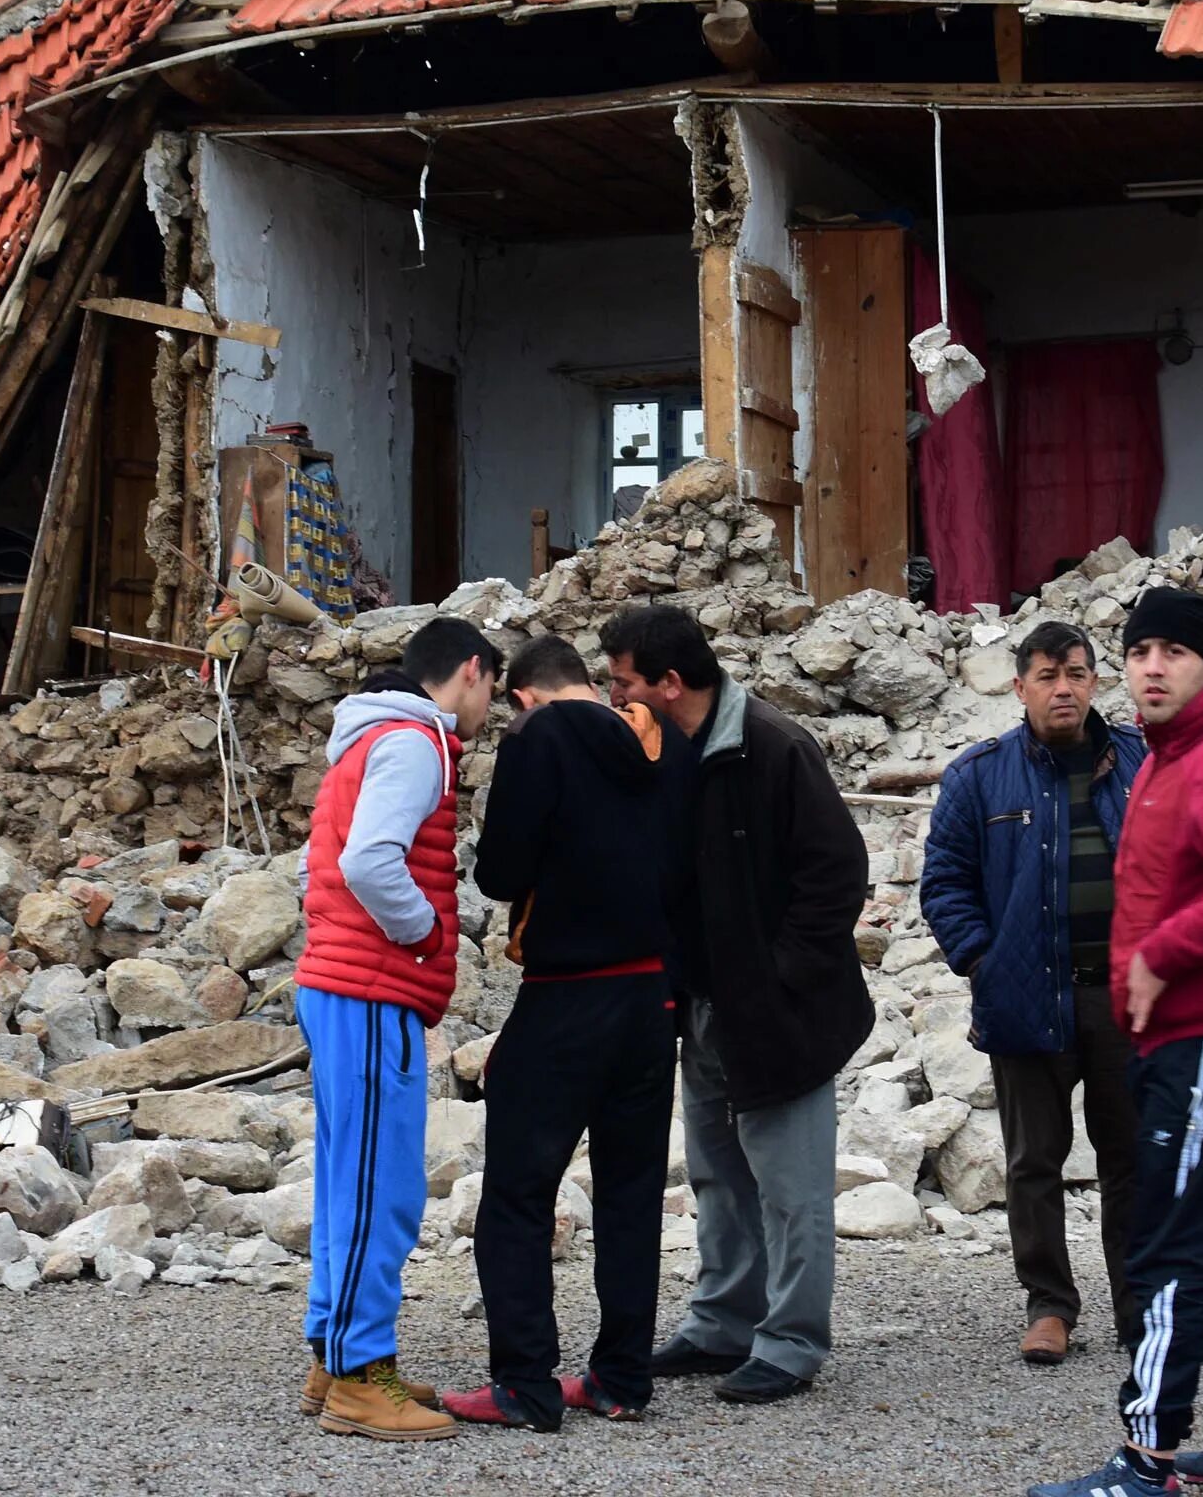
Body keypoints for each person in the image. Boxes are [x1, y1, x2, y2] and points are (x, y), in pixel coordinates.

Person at [1032, 587, 1203, 1497]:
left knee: (1167, 1244)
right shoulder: (1159, 755)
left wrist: (1161, 957)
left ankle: (1147, 1457)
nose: (1152, 667)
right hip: (1183, 1037)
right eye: (1140, 650)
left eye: (1173, 652)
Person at [605, 602, 874, 1405]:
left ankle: (791, 1343)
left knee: (792, 1190)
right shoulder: (670, 751)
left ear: (671, 682)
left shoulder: (774, 747)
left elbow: (836, 878)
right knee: (720, 1178)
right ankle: (724, 1323)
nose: (618, 698)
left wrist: (774, 980)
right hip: (705, 1009)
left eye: (625, 685)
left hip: (782, 1016)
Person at [441, 636, 680, 1432]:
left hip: (566, 991)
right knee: (630, 1193)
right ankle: (620, 1378)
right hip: (651, 995)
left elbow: (502, 872)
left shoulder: (537, 738)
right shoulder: (660, 738)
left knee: (516, 1191)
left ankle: (525, 1384)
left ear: (524, 696)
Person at [296, 614, 500, 1443]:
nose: (490, 711)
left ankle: (340, 1358)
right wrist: (425, 934)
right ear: (474, 672)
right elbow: (371, 860)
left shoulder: (369, 734)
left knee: (350, 1182)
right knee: (382, 1191)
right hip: (372, 990)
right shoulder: (417, 742)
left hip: (346, 988)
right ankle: (357, 1379)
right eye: (492, 691)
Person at [921, 620, 1147, 1366]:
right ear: (1019, 686)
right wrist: (985, 961)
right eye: (1047, 675)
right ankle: (1049, 1305)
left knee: (1131, 1161)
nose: (1063, 688)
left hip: (1125, 998)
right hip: (1024, 996)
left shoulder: (1140, 763)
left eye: (1076, 673)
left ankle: (1140, 1305)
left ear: (1094, 682)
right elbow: (945, 881)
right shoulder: (979, 776)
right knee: (1033, 1162)